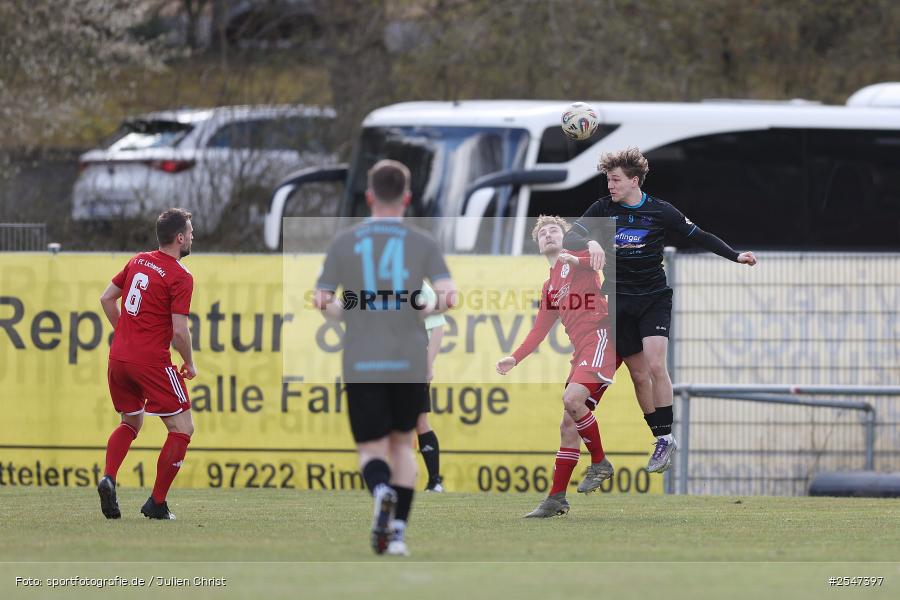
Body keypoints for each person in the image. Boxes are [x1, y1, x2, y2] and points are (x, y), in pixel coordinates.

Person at [563, 147, 757, 473]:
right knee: (639, 376)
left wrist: (735, 255)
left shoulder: (660, 211)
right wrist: (592, 242)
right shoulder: (602, 208)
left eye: (615, 180)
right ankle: (659, 436)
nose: (609, 185)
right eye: (607, 179)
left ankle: (666, 437)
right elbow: (570, 239)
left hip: (653, 299)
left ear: (633, 180)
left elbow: (700, 236)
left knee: (655, 364)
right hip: (618, 303)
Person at [314, 159, 457, 556]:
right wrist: (419, 307)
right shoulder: (423, 243)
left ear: (371, 195)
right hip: (409, 358)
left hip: (362, 358)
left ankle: (380, 491)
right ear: (407, 198)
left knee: (371, 452)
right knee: (401, 448)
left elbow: (322, 300)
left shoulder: (345, 241)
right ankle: (396, 534)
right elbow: (448, 296)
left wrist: (354, 314)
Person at [496, 215, 620, 518]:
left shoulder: (575, 259)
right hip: (582, 351)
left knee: (572, 400)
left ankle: (601, 462)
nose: (549, 235)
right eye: (543, 233)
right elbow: (540, 329)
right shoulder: (550, 285)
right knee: (567, 424)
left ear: (566, 237)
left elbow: (597, 260)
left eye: (555, 230)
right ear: (538, 244)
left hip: (601, 337)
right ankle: (555, 499)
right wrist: (515, 357)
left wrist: (583, 249)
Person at [97, 208, 197, 521]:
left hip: (119, 359)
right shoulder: (181, 276)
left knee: (131, 422)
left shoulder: (138, 260)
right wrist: (189, 363)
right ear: (180, 238)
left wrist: (126, 334)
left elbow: (106, 299)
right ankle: (156, 503)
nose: (193, 237)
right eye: (190, 232)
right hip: (151, 362)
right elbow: (180, 332)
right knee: (183, 428)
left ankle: (109, 477)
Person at [416, 280, 445, 492]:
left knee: (420, 421)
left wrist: (427, 364)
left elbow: (436, 327)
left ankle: (434, 482)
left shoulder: (420, 288)